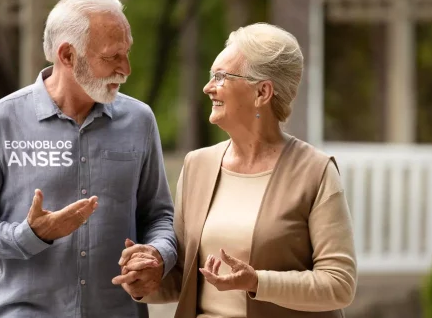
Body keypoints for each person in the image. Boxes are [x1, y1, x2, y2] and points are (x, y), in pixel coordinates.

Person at [0, 0, 176, 318]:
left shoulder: (139, 121)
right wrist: (27, 235)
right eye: (112, 57)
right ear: (67, 56)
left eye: (127, 53)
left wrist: (157, 254)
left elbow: (159, 216)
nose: (126, 69)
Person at [113, 23, 357, 317]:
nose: (208, 87)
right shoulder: (197, 166)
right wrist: (146, 279)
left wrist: (258, 281)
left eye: (221, 77)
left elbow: (339, 284)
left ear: (262, 92)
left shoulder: (315, 172)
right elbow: (183, 276)